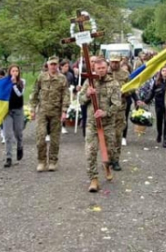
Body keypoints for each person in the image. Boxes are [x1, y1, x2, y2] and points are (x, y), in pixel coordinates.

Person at [79, 58, 121, 193]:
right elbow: (80, 100)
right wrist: (87, 94)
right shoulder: (89, 82)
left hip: (107, 124)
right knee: (90, 151)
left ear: (107, 68)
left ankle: (107, 166)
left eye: (103, 68)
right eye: (98, 68)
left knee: (110, 152)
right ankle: (93, 179)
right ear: (94, 69)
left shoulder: (113, 83)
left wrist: (105, 113)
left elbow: (117, 104)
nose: (101, 70)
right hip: (92, 123)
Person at [30, 56, 70, 172]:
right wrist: (32, 109)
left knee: (55, 138)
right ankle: (41, 161)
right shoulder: (41, 77)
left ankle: (53, 161)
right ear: (47, 65)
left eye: (55, 64)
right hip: (42, 111)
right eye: (51, 64)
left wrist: (64, 111)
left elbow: (66, 95)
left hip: (56, 112)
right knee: (41, 137)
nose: (53, 66)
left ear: (58, 65)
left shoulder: (62, 79)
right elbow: (35, 92)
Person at [138, 66, 166, 147]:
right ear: (160, 72)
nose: (164, 72)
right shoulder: (157, 82)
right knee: (159, 121)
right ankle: (159, 134)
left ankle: (165, 140)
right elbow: (152, 93)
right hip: (159, 104)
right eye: (163, 70)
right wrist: (145, 101)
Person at [2, 65, 26, 167]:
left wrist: (14, 84)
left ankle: (20, 146)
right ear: (9, 72)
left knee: (18, 132)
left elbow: (19, 94)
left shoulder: (22, 82)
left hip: (18, 110)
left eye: (16, 71)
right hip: (7, 111)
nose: (14, 73)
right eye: (13, 71)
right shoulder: (4, 82)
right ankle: (8, 157)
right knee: (7, 135)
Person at [60, 59, 76, 134]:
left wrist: (74, 90)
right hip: (59, 94)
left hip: (67, 94)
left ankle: (63, 126)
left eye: (68, 66)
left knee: (65, 109)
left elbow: (73, 84)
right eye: (65, 66)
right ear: (61, 66)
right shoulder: (58, 75)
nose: (67, 68)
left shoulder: (70, 75)